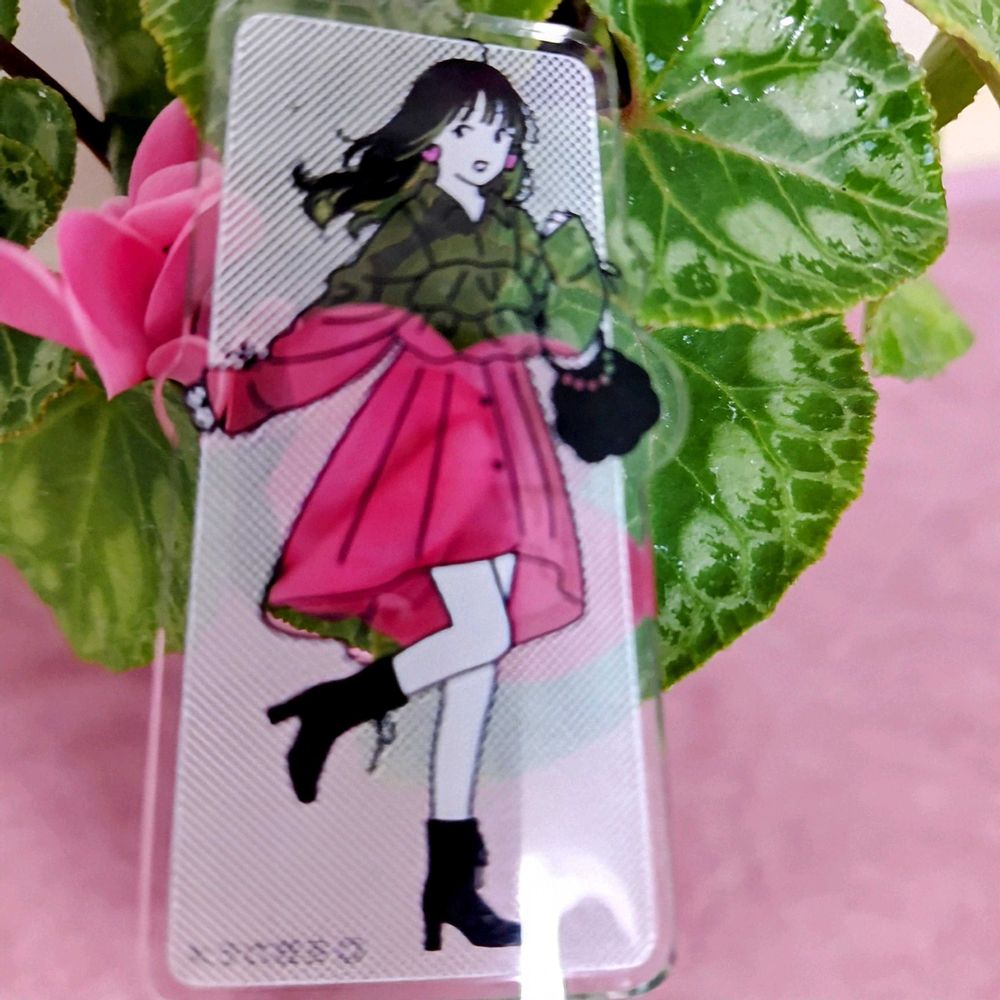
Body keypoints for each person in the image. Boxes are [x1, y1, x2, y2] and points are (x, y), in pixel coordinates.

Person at [190, 57, 649, 952]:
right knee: (481, 635)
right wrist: (240, 395)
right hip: (430, 440)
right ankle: (339, 706)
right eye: (469, 129)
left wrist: (581, 321)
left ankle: (448, 883)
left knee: (477, 674)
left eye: (502, 133)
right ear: (432, 141)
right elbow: (335, 330)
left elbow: (558, 329)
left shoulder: (518, 231)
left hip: (509, 436)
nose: (487, 146)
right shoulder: (408, 234)